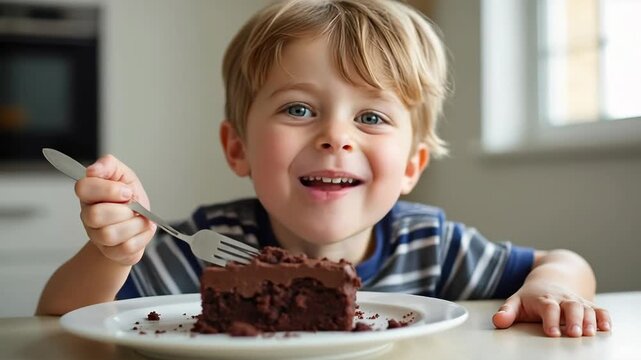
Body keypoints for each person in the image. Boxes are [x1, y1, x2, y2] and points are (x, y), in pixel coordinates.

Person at [36, 0, 610, 338]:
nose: (336, 136)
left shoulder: (432, 244)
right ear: (237, 148)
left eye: (371, 116)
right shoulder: (203, 246)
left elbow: (565, 262)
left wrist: (554, 288)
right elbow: (64, 323)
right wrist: (111, 255)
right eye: (299, 109)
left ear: (412, 165)